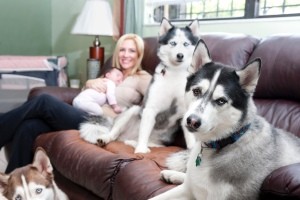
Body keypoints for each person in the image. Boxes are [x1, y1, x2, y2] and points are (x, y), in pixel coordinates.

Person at [0, 33, 152, 173]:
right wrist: (90, 82)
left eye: (131, 51)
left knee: (43, 101)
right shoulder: (112, 73)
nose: (125, 55)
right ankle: (12, 185)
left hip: (103, 124)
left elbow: (155, 106)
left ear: (139, 55)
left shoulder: (142, 77)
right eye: (122, 50)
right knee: (29, 126)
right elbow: (87, 94)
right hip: (85, 114)